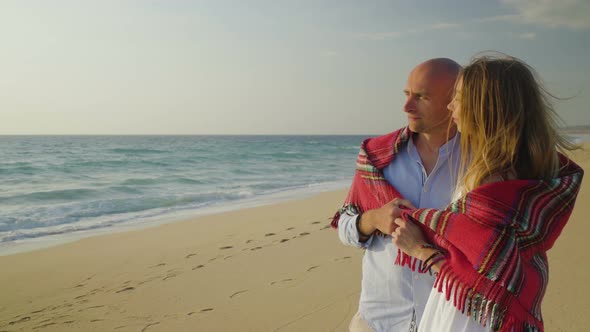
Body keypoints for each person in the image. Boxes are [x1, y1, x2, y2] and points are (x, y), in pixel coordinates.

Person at [392, 55, 584, 331]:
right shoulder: (531, 172)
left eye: (457, 98)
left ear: (483, 108)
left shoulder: (492, 182)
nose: (450, 106)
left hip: (470, 319)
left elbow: (485, 279)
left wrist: (420, 250)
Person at [331, 58, 461, 332]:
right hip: (377, 321)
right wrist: (372, 219)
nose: (406, 106)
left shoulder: (480, 165)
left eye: (422, 97)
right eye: (407, 94)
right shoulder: (376, 157)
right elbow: (344, 227)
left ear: (455, 101)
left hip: (445, 322)